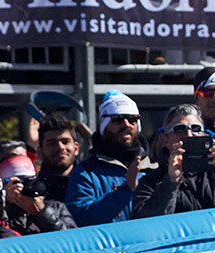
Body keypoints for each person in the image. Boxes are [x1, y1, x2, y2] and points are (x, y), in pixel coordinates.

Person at [132, 104, 215, 217]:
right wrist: (171, 182)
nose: (189, 135)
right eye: (179, 129)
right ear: (166, 139)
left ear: (205, 135)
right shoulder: (151, 182)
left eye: (196, 129)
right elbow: (147, 223)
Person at [66, 90, 154, 226]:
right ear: (104, 124)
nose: (126, 125)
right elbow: (79, 219)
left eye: (132, 119)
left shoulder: (154, 168)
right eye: (117, 119)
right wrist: (125, 191)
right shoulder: (86, 172)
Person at [0, 153, 77, 234]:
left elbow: (72, 239)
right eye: (16, 182)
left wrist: (42, 213)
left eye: (28, 181)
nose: (23, 187)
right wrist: (6, 205)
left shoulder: (57, 208)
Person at [36, 112, 83, 202]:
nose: (60, 147)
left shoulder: (92, 186)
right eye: (52, 143)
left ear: (76, 148)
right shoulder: (34, 192)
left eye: (65, 141)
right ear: (40, 152)